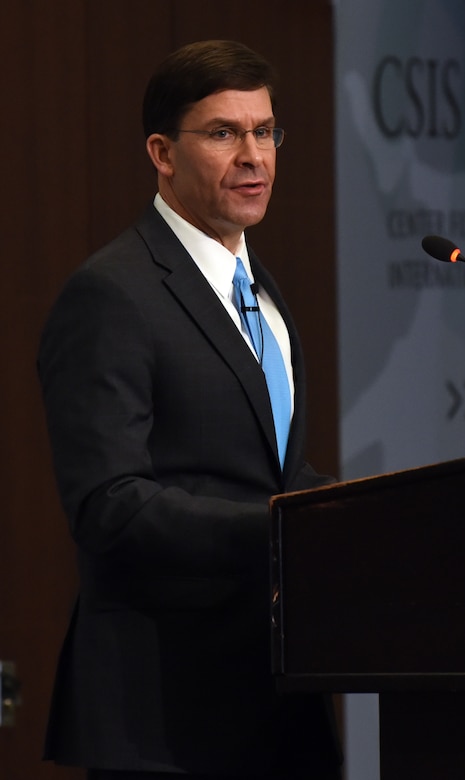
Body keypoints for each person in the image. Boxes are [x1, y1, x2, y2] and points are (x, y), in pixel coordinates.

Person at [38, 40, 342, 780]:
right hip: (166, 713)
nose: (253, 155)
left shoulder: (263, 294)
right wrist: (283, 529)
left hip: (276, 701)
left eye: (265, 131)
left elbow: (267, 468)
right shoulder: (112, 294)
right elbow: (109, 505)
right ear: (162, 153)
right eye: (223, 133)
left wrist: (346, 519)